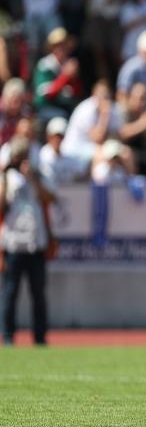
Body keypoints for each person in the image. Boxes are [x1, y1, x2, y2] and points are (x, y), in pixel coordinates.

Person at [1, 137, 55, 345]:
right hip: (13, 243)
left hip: (36, 243)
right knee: (10, 292)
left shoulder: (37, 176)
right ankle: (7, 335)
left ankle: (40, 337)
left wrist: (33, 179)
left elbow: (50, 198)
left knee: (38, 294)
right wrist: (5, 177)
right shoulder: (6, 178)